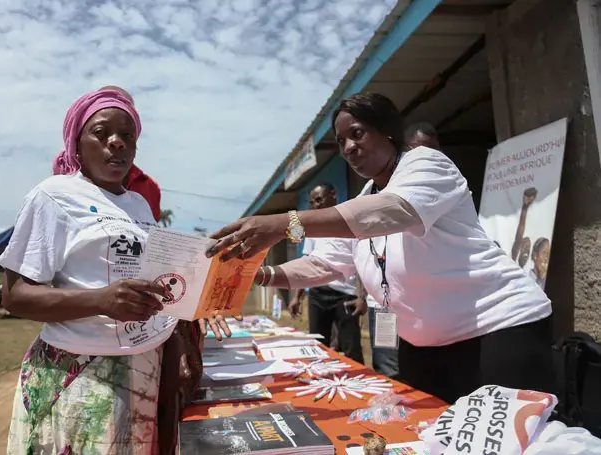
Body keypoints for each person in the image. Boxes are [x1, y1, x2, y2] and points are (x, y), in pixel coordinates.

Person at [206, 92, 555, 404]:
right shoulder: (364, 199)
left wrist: (284, 224)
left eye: (357, 133)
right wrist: (255, 274)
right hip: (423, 347)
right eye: (341, 141)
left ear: (387, 131)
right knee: (434, 436)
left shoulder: (425, 164)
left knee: (508, 440)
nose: (348, 148)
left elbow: (392, 211)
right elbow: (321, 265)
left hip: (497, 331)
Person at [0, 88, 230, 454]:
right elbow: (15, 296)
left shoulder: (138, 204)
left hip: (144, 367)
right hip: (82, 375)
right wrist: (100, 300)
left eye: (127, 136)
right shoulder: (53, 196)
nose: (117, 143)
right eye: (102, 133)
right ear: (76, 141)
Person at [288, 182, 364, 363]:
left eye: (319, 199)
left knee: (351, 347)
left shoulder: (349, 222)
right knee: (317, 344)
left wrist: (361, 296)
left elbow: (362, 263)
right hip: (317, 294)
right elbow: (307, 264)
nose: (316, 205)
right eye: (312, 202)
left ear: (333, 195)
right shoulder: (314, 228)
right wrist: (297, 297)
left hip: (345, 296)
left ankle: (360, 384)